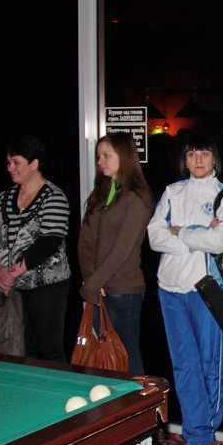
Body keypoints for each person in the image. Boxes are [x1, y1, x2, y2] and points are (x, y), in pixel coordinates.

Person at [147, 133, 223, 445]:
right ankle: (195, 433)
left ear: (215, 158)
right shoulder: (172, 192)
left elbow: (221, 240)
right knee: (183, 365)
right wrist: (196, 233)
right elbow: (154, 236)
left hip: (206, 290)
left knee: (209, 363)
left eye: (204, 153)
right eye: (191, 154)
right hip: (169, 289)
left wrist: (178, 231)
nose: (198, 160)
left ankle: (206, 434)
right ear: (184, 160)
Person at [0, 135, 71, 361]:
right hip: (11, 286)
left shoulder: (54, 197)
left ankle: (56, 385)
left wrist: (12, 273)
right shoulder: (4, 197)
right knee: (19, 348)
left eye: (16, 162)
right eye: (8, 163)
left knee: (49, 348)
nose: (10, 168)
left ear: (34, 164)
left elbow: (49, 242)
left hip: (46, 287)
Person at [79, 132, 153, 375]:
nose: (100, 161)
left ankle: (139, 399)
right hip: (98, 288)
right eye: (98, 156)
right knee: (102, 357)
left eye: (106, 155)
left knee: (125, 356)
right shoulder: (100, 194)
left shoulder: (137, 197)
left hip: (123, 290)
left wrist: (93, 283)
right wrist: (91, 280)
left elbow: (123, 249)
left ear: (124, 156)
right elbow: (85, 242)